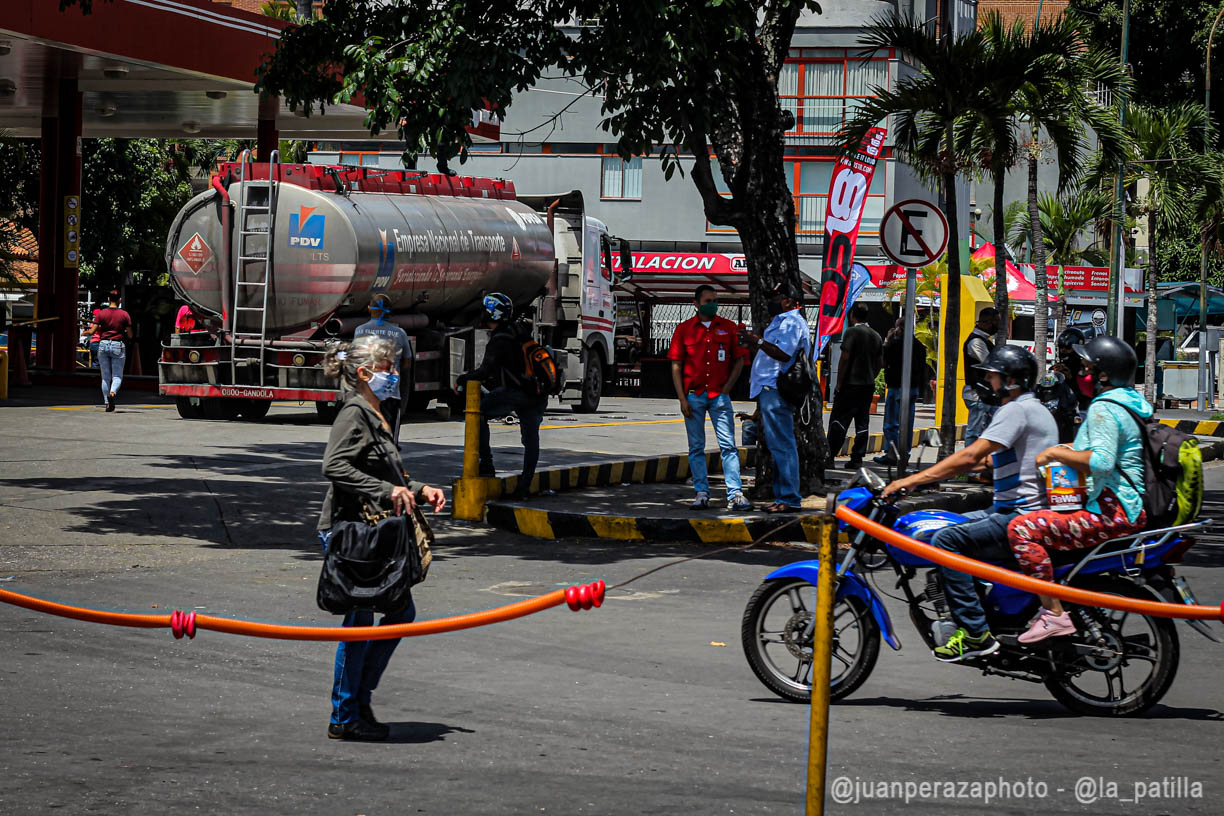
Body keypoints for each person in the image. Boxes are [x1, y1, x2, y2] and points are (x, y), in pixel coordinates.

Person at [883, 345, 1058, 662]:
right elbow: (989, 461)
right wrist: (935, 476)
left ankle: (975, 633)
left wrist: (909, 481)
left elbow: (971, 455)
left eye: (992, 375)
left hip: (1018, 515)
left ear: (1012, 381)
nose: (987, 381)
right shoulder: (1034, 408)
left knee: (946, 540)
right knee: (950, 522)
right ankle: (975, 604)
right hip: (1014, 511)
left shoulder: (1016, 410)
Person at [317, 335, 447, 742]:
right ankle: (345, 713)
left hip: (377, 531)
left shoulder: (378, 410)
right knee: (358, 623)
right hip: (353, 532)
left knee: (399, 614)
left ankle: (359, 700)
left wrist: (419, 488)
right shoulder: (353, 412)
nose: (394, 374)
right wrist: (386, 493)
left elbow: (389, 473)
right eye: (388, 368)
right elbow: (334, 465)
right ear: (364, 373)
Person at [1007, 336, 1151, 644]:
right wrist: (1067, 447)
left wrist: (1055, 454)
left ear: (1103, 374)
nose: (1081, 373)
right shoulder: (1130, 403)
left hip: (1113, 512)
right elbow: (1105, 448)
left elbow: (1100, 460)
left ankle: (1053, 615)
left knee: (1022, 528)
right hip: (1129, 506)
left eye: (1086, 367)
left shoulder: (1104, 408)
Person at [455, 293, 548, 500]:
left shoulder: (499, 340)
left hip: (515, 393)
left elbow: (485, 371)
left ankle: (486, 464)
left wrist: (461, 379)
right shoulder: (521, 331)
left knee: (478, 415)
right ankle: (524, 486)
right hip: (537, 393)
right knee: (531, 439)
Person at [668, 284, 752, 510]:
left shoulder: (728, 327)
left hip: (719, 396)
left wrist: (727, 389)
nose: (712, 304)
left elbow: (740, 360)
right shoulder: (684, 329)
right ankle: (701, 493)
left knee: (728, 446)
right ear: (696, 304)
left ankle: (734, 494)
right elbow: (676, 365)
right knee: (696, 447)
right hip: (693, 396)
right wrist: (682, 399)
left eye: (715, 300)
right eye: (707, 301)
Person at [740, 283, 809, 514]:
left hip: (777, 390)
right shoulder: (782, 321)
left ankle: (788, 498)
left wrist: (757, 341)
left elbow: (784, 353)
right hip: (771, 390)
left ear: (788, 301)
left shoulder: (790, 322)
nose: (771, 301)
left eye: (776, 297)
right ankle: (785, 496)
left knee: (782, 445)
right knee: (780, 445)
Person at [825, 304, 882, 469]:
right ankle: (857, 457)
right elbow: (879, 363)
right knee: (862, 422)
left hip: (850, 384)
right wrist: (871, 375)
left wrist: (839, 382)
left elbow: (845, 357)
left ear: (853, 316)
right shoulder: (876, 336)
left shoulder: (852, 332)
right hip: (867, 386)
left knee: (839, 420)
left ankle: (830, 455)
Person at [354, 294, 414, 446]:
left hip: (366, 395)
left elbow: (355, 360)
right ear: (389, 311)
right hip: (390, 395)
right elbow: (407, 365)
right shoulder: (400, 333)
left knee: (365, 438)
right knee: (389, 442)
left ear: (369, 309)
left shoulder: (359, 331)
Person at [876, 317, 928, 465]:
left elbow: (884, 358)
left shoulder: (895, 344)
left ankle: (892, 454)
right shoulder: (918, 345)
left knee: (892, 423)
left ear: (900, 329)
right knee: (907, 422)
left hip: (897, 386)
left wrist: (888, 340)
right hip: (912, 388)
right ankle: (904, 453)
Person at [88, 291, 132, 412]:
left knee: (105, 377)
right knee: (117, 375)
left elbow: (92, 332)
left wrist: (86, 333)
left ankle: (107, 403)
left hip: (103, 344)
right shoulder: (124, 315)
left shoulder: (101, 314)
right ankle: (112, 394)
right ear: (120, 300)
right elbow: (130, 334)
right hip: (118, 345)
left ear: (108, 299)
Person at [962, 307, 1000, 446]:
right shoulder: (976, 342)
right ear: (985, 322)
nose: (996, 326)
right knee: (974, 433)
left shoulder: (984, 340)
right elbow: (989, 364)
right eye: (995, 322)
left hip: (986, 395)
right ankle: (970, 464)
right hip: (977, 394)